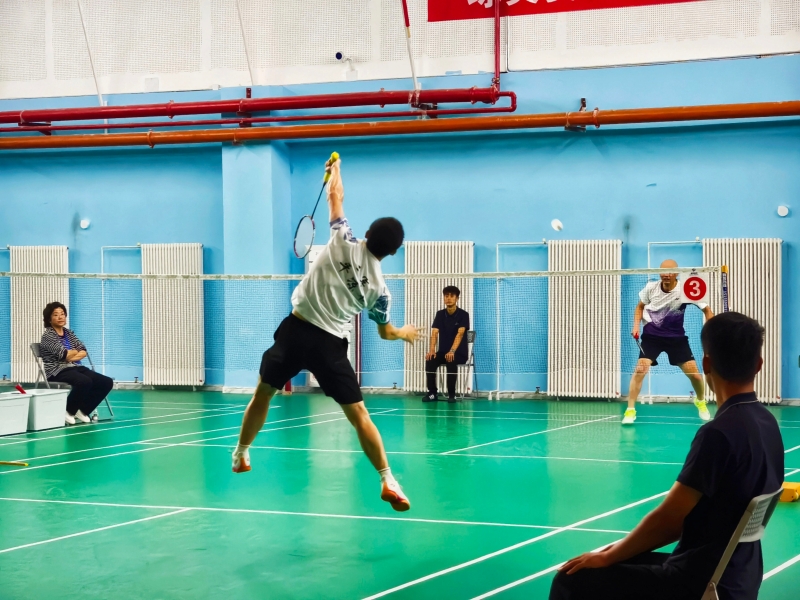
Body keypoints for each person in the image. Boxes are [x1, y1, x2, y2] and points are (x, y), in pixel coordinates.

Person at [231, 156, 421, 512]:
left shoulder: (343, 238)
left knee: (263, 395)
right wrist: (404, 333)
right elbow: (385, 332)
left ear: (368, 234)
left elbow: (336, 195)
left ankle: (241, 453)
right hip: (330, 345)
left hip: (295, 330)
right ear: (394, 251)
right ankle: (387, 478)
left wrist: (336, 169)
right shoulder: (380, 291)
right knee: (359, 415)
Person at [550, 312, 784, 600]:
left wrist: (608, 556)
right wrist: (618, 552)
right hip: (740, 575)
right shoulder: (768, 423)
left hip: (700, 581)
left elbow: (670, 520)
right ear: (759, 364)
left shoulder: (718, 433)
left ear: (706, 363)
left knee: (571, 579)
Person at [623, 259, 714, 424]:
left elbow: (707, 310)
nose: (666, 275)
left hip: (676, 338)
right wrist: (636, 326)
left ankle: (700, 401)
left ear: (677, 273)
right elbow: (640, 307)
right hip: (652, 337)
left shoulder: (686, 288)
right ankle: (630, 410)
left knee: (695, 376)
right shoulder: (651, 288)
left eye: (670, 272)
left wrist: (711, 331)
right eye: (663, 271)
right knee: (640, 370)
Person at [40, 302, 114, 425]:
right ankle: (68, 411)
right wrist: (73, 352)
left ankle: (83, 410)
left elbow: (83, 351)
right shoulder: (48, 336)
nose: (60, 317)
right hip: (57, 371)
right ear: (49, 319)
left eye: (62, 314)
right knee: (84, 381)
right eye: (56, 315)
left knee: (106, 382)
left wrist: (71, 354)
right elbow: (65, 355)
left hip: (74, 367)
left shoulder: (68, 333)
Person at [424, 286, 470, 403]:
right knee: (430, 360)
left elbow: (460, 334)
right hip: (443, 352)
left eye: (452, 296)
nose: (448, 298)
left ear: (457, 298)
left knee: (451, 359)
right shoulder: (440, 314)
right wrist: (432, 350)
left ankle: (451, 395)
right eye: (446, 296)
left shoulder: (464, 315)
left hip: (459, 353)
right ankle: (432, 393)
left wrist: (452, 351)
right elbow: (434, 333)